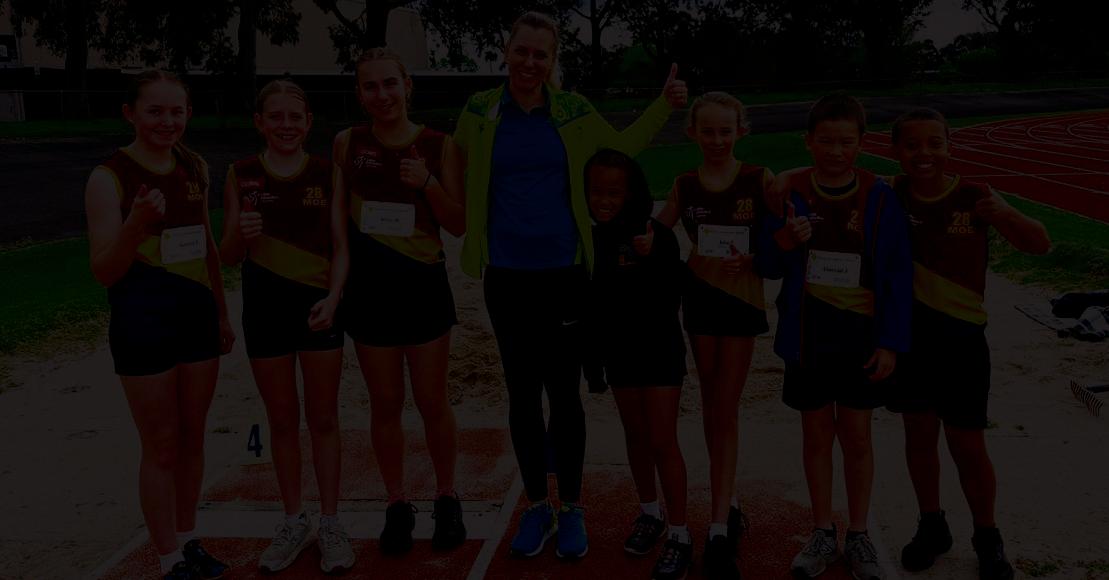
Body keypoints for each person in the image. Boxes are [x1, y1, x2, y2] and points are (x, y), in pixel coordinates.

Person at [452, 10, 687, 561]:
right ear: (506, 51)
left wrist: (663, 105)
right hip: (506, 275)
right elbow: (455, 163)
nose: (530, 62)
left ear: (553, 61)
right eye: (522, 51)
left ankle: (573, 506)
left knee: (564, 394)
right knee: (521, 395)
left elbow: (622, 151)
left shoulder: (572, 110)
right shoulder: (479, 111)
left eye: (542, 54)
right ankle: (538, 505)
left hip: (564, 273)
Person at [886, 108, 1050, 580]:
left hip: (961, 341)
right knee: (919, 437)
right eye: (912, 145)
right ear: (895, 151)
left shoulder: (975, 196)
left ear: (949, 146)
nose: (924, 153)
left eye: (934, 143)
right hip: (910, 339)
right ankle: (932, 525)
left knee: (967, 443)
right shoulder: (889, 193)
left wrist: (1006, 213)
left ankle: (987, 535)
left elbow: (1039, 244)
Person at [84, 70, 234, 580]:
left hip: (196, 318)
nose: (166, 121)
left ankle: (189, 540)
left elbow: (208, 246)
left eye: (176, 111)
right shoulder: (107, 177)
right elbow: (104, 269)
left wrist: (221, 312)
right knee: (162, 445)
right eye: (154, 111)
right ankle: (168, 558)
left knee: (193, 438)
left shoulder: (194, 167)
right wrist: (136, 223)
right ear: (130, 114)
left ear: (188, 113)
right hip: (142, 320)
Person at [758, 94, 912, 580]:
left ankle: (859, 532)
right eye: (826, 141)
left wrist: (890, 342)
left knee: (857, 435)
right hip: (808, 332)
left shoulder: (879, 196)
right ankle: (823, 530)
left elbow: (897, 274)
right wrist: (786, 239)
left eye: (846, 142)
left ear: (862, 143)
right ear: (808, 141)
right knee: (816, 434)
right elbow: (767, 263)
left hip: (860, 335)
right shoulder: (790, 192)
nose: (836, 151)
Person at [334, 47, 468, 555]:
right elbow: (337, 226)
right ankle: (396, 502)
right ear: (359, 93)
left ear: (407, 85)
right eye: (370, 86)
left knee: (432, 401)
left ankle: (447, 496)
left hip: (423, 289)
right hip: (370, 294)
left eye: (390, 83)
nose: (382, 94)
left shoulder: (439, 144)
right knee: (385, 404)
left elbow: (457, 223)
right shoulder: (348, 143)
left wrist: (427, 183)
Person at [218, 79, 354, 574]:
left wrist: (334, 298)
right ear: (260, 122)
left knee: (324, 419)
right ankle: (294, 519)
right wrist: (241, 233)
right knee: (280, 420)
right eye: (275, 117)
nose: (286, 125)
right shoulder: (241, 174)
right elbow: (228, 254)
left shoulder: (327, 173)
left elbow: (342, 247)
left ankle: (331, 522)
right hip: (265, 312)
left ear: (308, 122)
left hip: (318, 310)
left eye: (295, 117)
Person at [652, 91, 767, 578]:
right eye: (708, 131)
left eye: (726, 131)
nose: (717, 140)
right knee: (709, 402)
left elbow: (783, 234)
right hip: (699, 298)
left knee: (725, 406)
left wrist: (757, 257)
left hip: (741, 301)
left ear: (741, 131)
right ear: (693, 133)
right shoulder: (684, 184)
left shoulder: (759, 179)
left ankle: (719, 526)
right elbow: (657, 236)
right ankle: (728, 498)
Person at [580, 149, 692, 579]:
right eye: (596, 191)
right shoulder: (591, 239)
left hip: (659, 349)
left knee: (663, 439)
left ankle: (680, 533)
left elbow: (678, 290)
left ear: (631, 193)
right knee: (636, 435)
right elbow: (591, 308)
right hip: (619, 353)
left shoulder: (655, 232)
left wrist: (656, 255)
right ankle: (650, 512)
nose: (604, 200)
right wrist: (593, 367)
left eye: (614, 192)